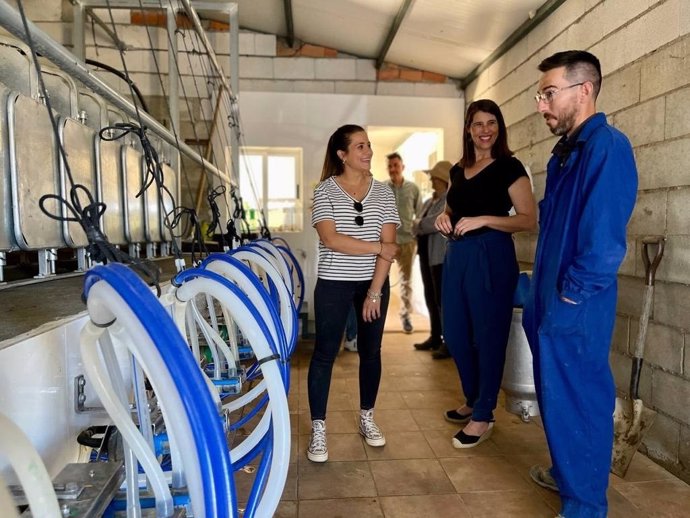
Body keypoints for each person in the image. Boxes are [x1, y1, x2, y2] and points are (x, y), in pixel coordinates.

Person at [523, 50, 637, 518]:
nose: (542, 104)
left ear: (584, 90)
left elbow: (604, 242)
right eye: (540, 94)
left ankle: (585, 505)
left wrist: (569, 295)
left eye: (549, 93)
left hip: (576, 303)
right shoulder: (565, 154)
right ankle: (567, 471)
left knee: (582, 399)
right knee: (556, 395)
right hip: (550, 298)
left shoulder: (607, 147)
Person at [435, 99, 536, 449]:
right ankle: (474, 396)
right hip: (458, 256)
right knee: (456, 333)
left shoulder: (509, 167)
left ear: (499, 127)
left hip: (492, 254)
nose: (485, 130)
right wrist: (443, 219)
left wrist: (485, 219)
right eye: (478, 124)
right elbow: (451, 209)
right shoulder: (458, 170)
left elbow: (527, 219)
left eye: (492, 123)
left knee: (489, 335)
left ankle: (483, 415)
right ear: (468, 128)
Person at [307, 124, 400, 463]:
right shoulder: (325, 191)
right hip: (334, 283)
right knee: (324, 354)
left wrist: (375, 291)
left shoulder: (384, 192)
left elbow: (390, 249)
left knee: (371, 351)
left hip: (372, 284)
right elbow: (331, 239)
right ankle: (319, 427)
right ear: (342, 154)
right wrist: (377, 246)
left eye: (369, 145)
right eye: (360, 146)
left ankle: (367, 417)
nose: (369, 151)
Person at [412, 161, 451, 354]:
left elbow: (433, 224)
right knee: (430, 296)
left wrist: (419, 223)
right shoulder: (430, 201)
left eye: (434, 178)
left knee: (443, 299)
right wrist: (420, 223)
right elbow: (419, 223)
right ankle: (435, 335)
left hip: (441, 257)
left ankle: (449, 341)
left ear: (443, 180)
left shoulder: (448, 200)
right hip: (426, 255)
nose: (432, 181)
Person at [386, 152, 421, 334]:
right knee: (380, 280)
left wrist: (417, 239)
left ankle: (405, 316)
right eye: (390, 166)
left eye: (396, 165)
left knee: (406, 281)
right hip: (385, 242)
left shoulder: (413, 189)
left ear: (402, 167)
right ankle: (377, 318)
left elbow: (420, 215)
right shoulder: (382, 188)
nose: (393, 169)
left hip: (407, 241)